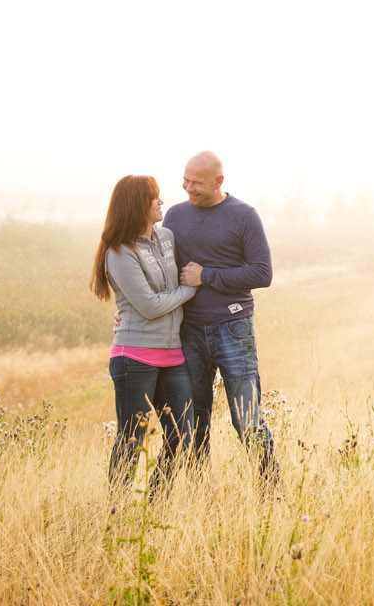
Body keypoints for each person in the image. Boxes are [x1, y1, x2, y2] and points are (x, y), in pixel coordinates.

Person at [164, 150, 278, 481]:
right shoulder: (174, 216)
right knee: (193, 420)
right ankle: (201, 494)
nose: (188, 188)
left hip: (233, 327)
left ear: (219, 181)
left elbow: (262, 273)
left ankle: (270, 491)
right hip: (189, 332)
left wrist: (207, 276)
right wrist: (128, 313)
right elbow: (161, 271)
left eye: (197, 183)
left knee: (246, 420)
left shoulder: (244, 215)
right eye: (185, 180)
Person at [90, 174, 196, 492]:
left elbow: (165, 292)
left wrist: (183, 289)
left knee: (183, 435)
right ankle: (117, 514)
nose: (161, 201)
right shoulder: (119, 252)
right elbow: (149, 306)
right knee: (133, 437)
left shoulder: (166, 237)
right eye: (155, 196)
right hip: (134, 356)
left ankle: (156, 505)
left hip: (173, 354)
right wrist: (190, 290)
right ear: (139, 204)